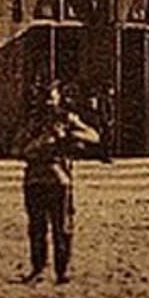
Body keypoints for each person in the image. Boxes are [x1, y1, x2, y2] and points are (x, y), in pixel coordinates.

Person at [16, 80, 100, 284]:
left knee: (62, 227)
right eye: (44, 98)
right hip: (35, 178)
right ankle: (38, 268)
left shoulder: (67, 118)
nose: (47, 102)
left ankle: (62, 270)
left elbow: (93, 136)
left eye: (51, 98)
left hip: (59, 178)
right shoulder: (32, 121)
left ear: (58, 98)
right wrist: (38, 141)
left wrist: (67, 135)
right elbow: (17, 146)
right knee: (36, 228)